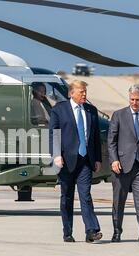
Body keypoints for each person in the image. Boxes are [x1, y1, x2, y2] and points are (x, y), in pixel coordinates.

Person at [49, 80, 103, 243]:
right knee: (67, 197)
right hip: (65, 160)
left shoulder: (91, 110)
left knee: (85, 195)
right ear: (71, 93)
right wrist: (56, 155)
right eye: (81, 92)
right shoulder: (59, 109)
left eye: (85, 91)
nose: (84, 94)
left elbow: (95, 138)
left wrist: (98, 158)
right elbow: (53, 134)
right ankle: (67, 231)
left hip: (85, 160)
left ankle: (91, 231)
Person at [108, 84, 139, 244]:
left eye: (137, 99)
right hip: (122, 165)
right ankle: (117, 232)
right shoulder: (119, 115)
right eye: (132, 99)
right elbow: (111, 141)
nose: (134, 102)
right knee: (119, 200)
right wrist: (114, 159)